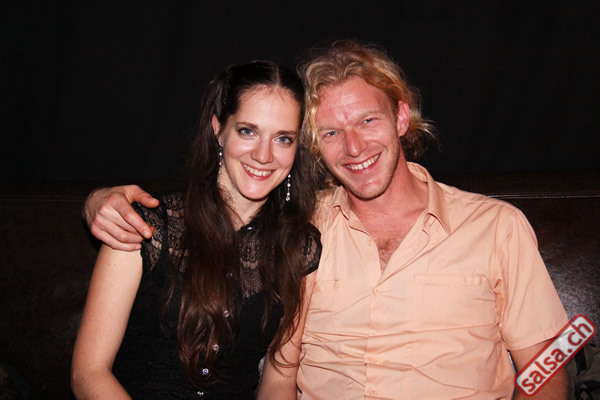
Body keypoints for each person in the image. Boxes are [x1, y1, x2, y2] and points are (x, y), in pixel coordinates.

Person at [83, 40, 569, 399]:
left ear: (401, 118)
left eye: (368, 121)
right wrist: (98, 199)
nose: (354, 147)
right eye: (331, 132)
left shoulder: (496, 226)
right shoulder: (299, 232)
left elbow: (548, 363)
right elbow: (282, 372)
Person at [71, 61, 322, 400]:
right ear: (219, 129)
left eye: (283, 138)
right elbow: (89, 374)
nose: (264, 155)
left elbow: (279, 379)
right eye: (248, 131)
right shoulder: (142, 226)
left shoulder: (300, 247)